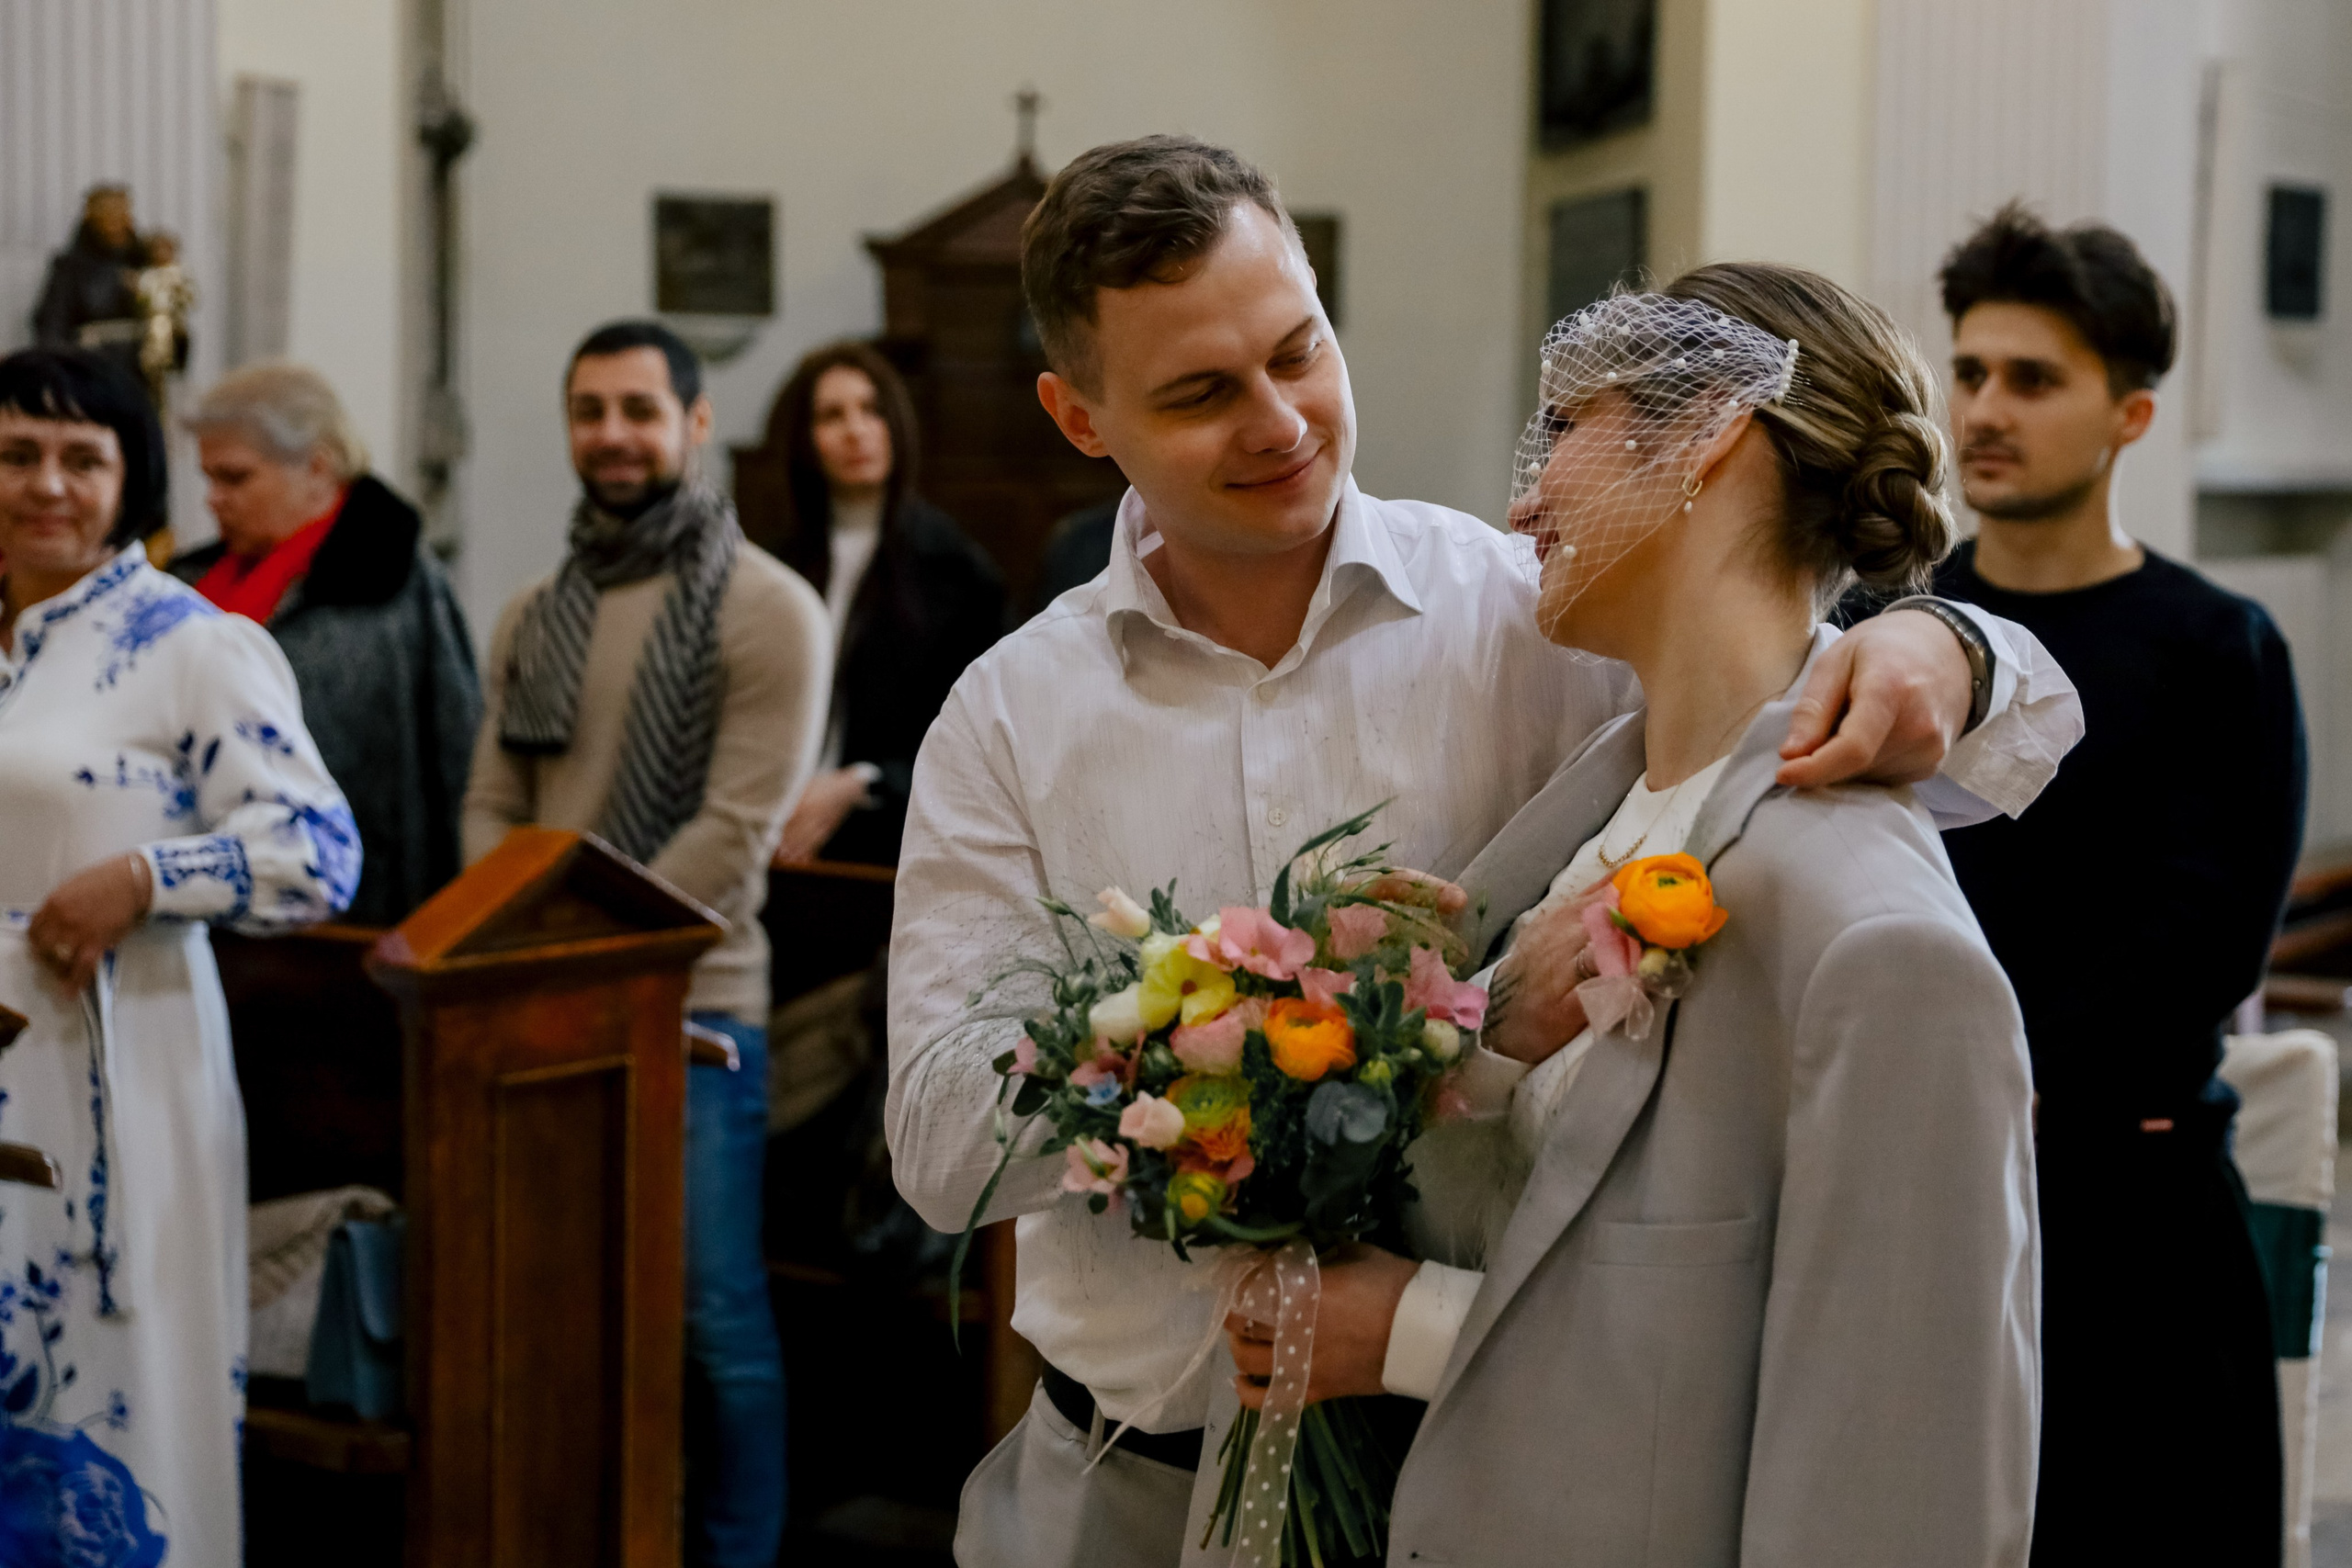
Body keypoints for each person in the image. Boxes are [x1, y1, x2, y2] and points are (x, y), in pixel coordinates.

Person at [884, 134, 2081, 1568]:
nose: (1281, 420)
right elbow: (944, 1153)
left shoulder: (1527, 609)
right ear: (1080, 418)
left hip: (1463, 1462)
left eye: (1299, 349)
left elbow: (1805, 705)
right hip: (1130, 1472)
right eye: (1203, 392)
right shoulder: (1009, 713)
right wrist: (1265, 1022)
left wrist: (1947, 634)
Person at [1244, 272, 2044, 1565]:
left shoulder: (1872, 935)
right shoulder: (1578, 815)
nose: (1521, 498)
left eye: (1563, 427)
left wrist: (1408, 1329)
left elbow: (1898, 1491)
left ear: (1712, 430)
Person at [1905, 205, 2301, 1565]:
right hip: (1920, 1189)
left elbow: (2204, 946)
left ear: (2130, 414)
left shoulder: (2216, 648)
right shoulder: (1898, 633)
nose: (1986, 410)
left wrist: (1986, 1066)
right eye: (1969, 372)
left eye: (2033, 379)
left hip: (2135, 1207)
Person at [461, 319, 830, 1568]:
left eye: (635, 408)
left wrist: (575, 952)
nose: (610, 435)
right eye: (588, 410)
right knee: (553, 1309)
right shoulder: (534, 608)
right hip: (533, 998)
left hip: (697, 1007)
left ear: (693, 420)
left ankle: (735, 1551)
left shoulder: (769, 606)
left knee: (710, 1315)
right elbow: (491, 803)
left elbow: (736, 829)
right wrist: (512, 934)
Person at [0, 347, 357, 1564]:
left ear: (131, 477)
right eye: (17, 455)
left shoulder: (189, 641)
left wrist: (145, 877)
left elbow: (319, 847)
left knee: (117, 1407)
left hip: (115, 1081)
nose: (47, 483)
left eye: (81, 458)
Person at [171, 362, 481, 926]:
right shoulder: (190, 583)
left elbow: (456, 758)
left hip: (359, 913)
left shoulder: (396, 581)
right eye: (209, 479)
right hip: (201, 905)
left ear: (318, 466)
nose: (213, 500)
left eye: (235, 478)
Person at [766, 341, 1002, 866]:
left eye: (872, 410)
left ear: (896, 425)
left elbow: (974, 730)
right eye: (831, 415)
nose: (856, 429)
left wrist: (859, 781)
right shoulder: (775, 567)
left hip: (889, 835)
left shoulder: (956, 569)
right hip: (771, 826)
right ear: (804, 440)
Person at [32, 186, 146, 374]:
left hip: (140, 372)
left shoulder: (143, 264)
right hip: (93, 370)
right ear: (91, 219)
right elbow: (51, 327)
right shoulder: (71, 269)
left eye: (122, 215)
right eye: (108, 216)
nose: (116, 224)